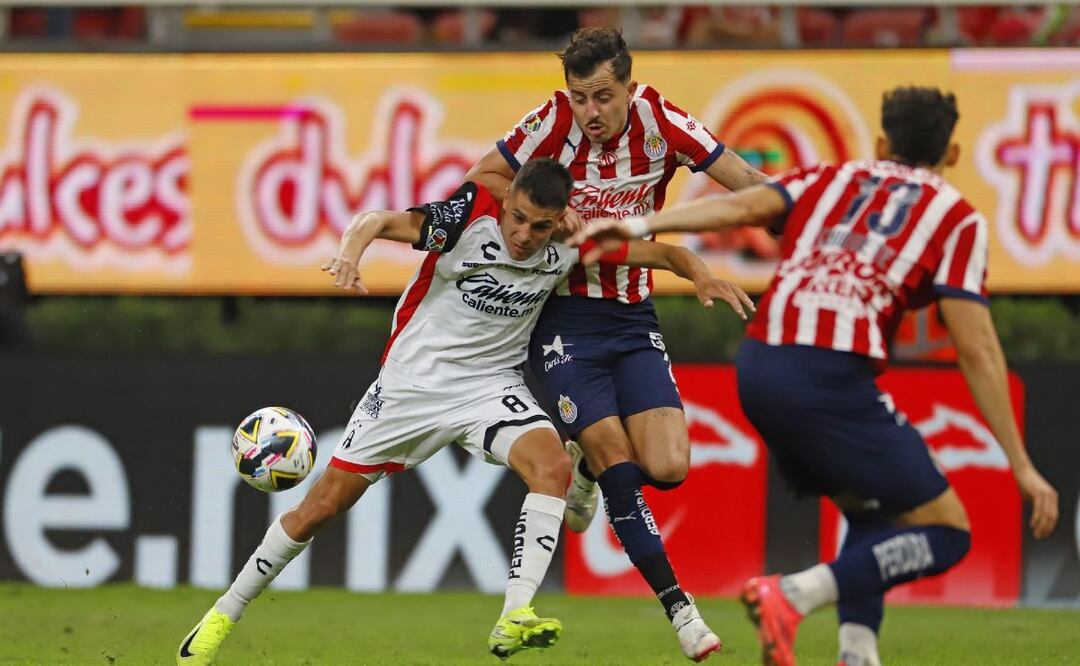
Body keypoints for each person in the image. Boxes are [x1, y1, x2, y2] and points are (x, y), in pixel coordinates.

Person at [175, 158, 748, 665]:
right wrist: (349, 254)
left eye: (539, 226)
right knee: (317, 510)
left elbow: (663, 252)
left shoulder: (573, 241)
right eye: (517, 218)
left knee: (551, 467)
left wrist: (701, 274)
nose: (523, 235)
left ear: (559, 220)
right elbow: (377, 220)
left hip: (490, 387)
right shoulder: (467, 218)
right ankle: (222, 615)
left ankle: (515, 614)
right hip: (411, 387)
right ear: (508, 199)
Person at [572, 86, 1060, 666]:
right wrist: (1022, 464)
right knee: (948, 533)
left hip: (759, 365)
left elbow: (739, 208)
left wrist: (639, 225)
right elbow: (976, 349)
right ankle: (793, 594)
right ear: (951, 154)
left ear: (882, 143)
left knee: (871, 510)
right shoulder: (955, 218)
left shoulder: (830, 178)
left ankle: (857, 651)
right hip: (828, 377)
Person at [465, 27, 762, 661]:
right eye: (580, 97)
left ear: (629, 86)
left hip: (631, 316)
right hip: (561, 320)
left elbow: (741, 176)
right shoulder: (550, 123)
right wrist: (544, 212)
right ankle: (682, 613)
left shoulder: (663, 122)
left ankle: (584, 468)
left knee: (669, 467)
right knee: (621, 467)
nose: (590, 112)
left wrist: (804, 210)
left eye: (602, 96)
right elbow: (480, 177)